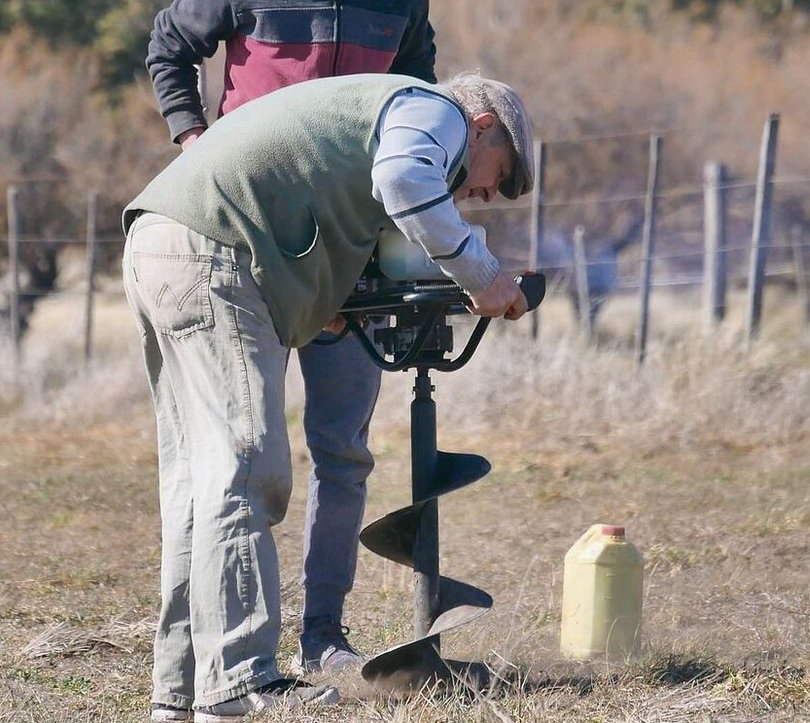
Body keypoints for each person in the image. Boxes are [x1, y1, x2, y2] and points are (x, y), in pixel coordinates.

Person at [124, 72, 535, 722]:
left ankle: (179, 693)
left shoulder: (378, 111)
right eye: (498, 171)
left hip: (161, 239)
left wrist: (327, 300)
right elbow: (403, 182)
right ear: (483, 125)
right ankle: (237, 678)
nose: (485, 191)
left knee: (197, 486)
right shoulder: (435, 112)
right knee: (244, 466)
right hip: (212, 251)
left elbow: (328, 199)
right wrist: (481, 272)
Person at [145, 0, 436, 682]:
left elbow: (417, 93)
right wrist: (197, 144)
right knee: (247, 458)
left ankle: (325, 635)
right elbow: (169, 46)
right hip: (249, 252)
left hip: (352, 250)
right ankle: (238, 655)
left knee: (343, 449)